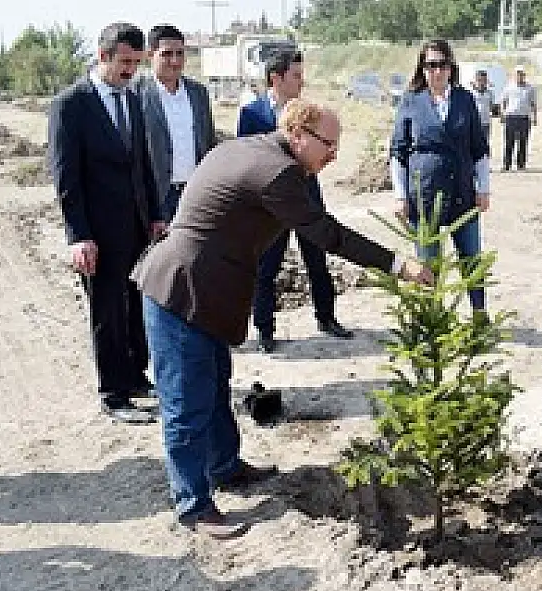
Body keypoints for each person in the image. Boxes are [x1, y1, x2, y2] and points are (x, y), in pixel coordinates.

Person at [132, 99, 432, 538]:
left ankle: (226, 468)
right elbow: (326, 232)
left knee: (213, 386)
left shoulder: (251, 148)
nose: (333, 154)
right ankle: (193, 506)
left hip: (205, 293)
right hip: (181, 292)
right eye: (328, 144)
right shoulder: (277, 173)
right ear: (298, 135)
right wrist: (398, 266)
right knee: (185, 402)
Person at [48, 22, 164, 424]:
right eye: (125, 62)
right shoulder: (72, 104)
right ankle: (112, 393)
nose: (131, 70)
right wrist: (78, 236)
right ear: (103, 56)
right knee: (107, 310)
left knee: (134, 305)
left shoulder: (132, 100)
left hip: (135, 227)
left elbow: (142, 164)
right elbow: (66, 177)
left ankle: (134, 376)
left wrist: (154, 215)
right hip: (97, 233)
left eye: (137, 62)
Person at [240, 49, 352, 352]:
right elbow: (249, 160)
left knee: (317, 259)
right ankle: (265, 328)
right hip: (272, 207)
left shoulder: (308, 113)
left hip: (307, 199)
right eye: (296, 75)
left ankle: (326, 318)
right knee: (267, 266)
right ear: (276, 78)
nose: (301, 82)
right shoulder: (252, 114)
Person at [390, 39, 491, 315]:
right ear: (422, 69)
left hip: (462, 193)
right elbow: (398, 153)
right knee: (428, 264)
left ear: (451, 68)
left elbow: (479, 149)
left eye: (442, 65)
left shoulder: (465, 99)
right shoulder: (410, 102)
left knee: (472, 259)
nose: (436, 71)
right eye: (430, 65)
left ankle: (479, 314)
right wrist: (400, 195)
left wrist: (484, 188)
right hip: (424, 198)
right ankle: (432, 317)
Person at [135, 24, 217, 224]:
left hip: (195, 192)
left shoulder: (198, 93)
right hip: (156, 197)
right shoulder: (135, 93)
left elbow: (208, 141)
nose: (175, 61)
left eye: (180, 53)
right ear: (150, 54)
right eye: (167, 54)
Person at [500, 64, 537, 171]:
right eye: (517, 74)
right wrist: (502, 114)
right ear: (514, 75)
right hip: (510, 117)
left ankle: (521, 164)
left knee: (523, 142)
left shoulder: (530, 88)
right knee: (508, 142)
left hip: (524, 118)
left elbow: (533, 103)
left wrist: (534, 117)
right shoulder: (508, 87)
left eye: (521, 74)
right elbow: (503, 101)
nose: (519, 76)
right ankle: (507, 165)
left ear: (524, 75)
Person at [470, 69, 494, 147]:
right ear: (476, 80)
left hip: (485, 123)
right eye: (480, 80)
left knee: (484, 144)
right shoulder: (471, 92)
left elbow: (491, 106)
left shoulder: (490, 93)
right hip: (473, 124)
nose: (482, 82)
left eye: (484, 80)